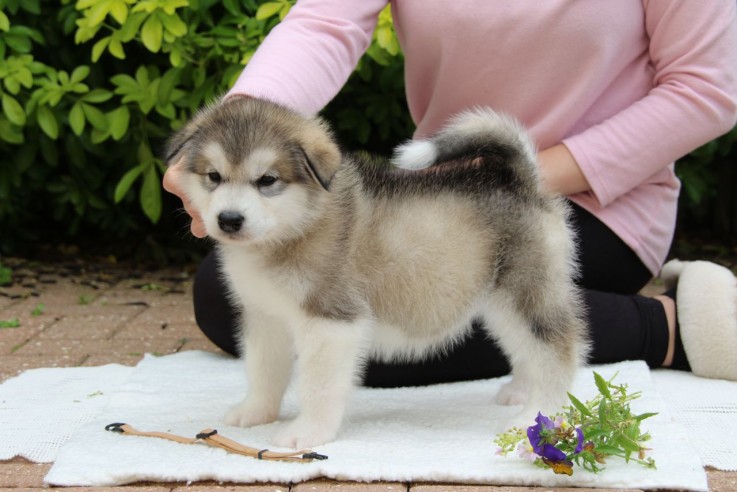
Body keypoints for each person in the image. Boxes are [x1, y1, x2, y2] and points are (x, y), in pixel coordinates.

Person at [163, 1, 737, 386]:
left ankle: (666, 328)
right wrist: (232, 129)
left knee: (344, 313)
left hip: (592, 200)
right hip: (435, 195)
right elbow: (324, 26)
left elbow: (707, 88)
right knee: (231, 293)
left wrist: (518, 178)